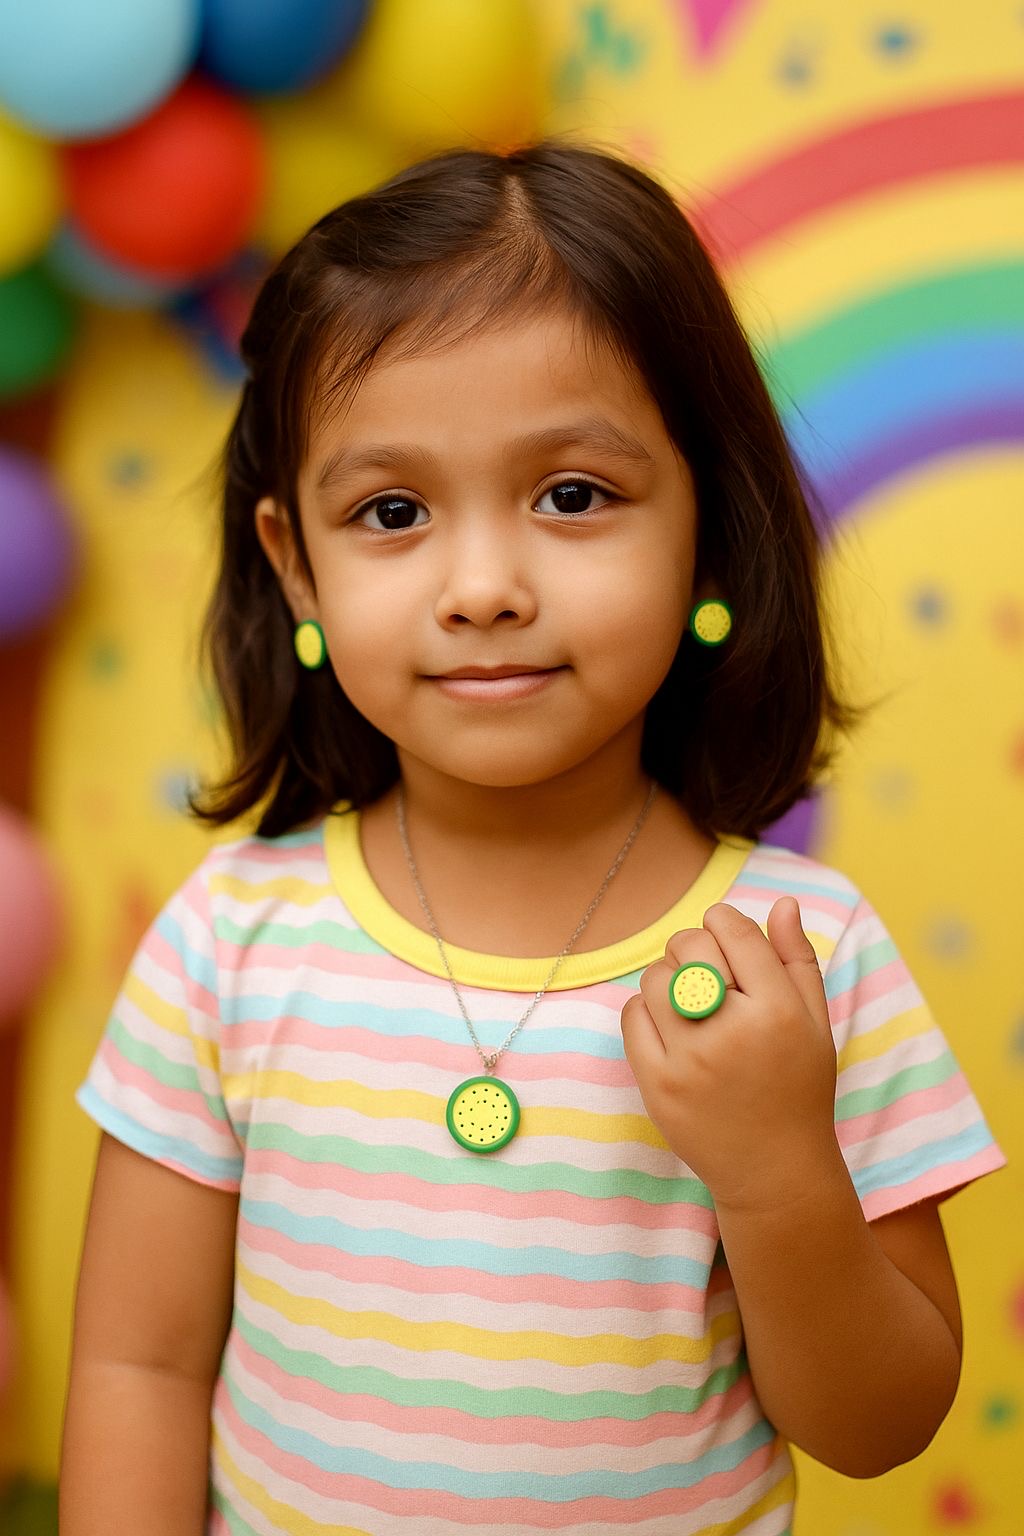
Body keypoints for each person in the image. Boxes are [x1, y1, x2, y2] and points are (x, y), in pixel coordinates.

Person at [61, 141, 1005, 1536]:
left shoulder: (802, 964)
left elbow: (880, 1427)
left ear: (708, 533)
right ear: (295, 564)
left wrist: (776, 1165)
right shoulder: (227, 944)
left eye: (573, 495)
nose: (487, 588)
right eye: (393, 513)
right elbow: (136, 1367)